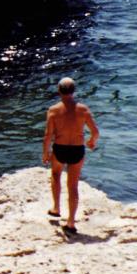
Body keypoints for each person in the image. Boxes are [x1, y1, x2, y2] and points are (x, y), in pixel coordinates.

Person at [42, 77, 99, 234]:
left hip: (60, 149)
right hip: (76, 149)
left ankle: (56, 208)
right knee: (73, 186)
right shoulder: (83, 109)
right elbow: (95, 132)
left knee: (55, 174)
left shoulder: (53, 110)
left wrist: (45, 153)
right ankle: (71, 222)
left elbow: (48, 135)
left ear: (59, 91)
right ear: (73, 91)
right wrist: (91, 142)